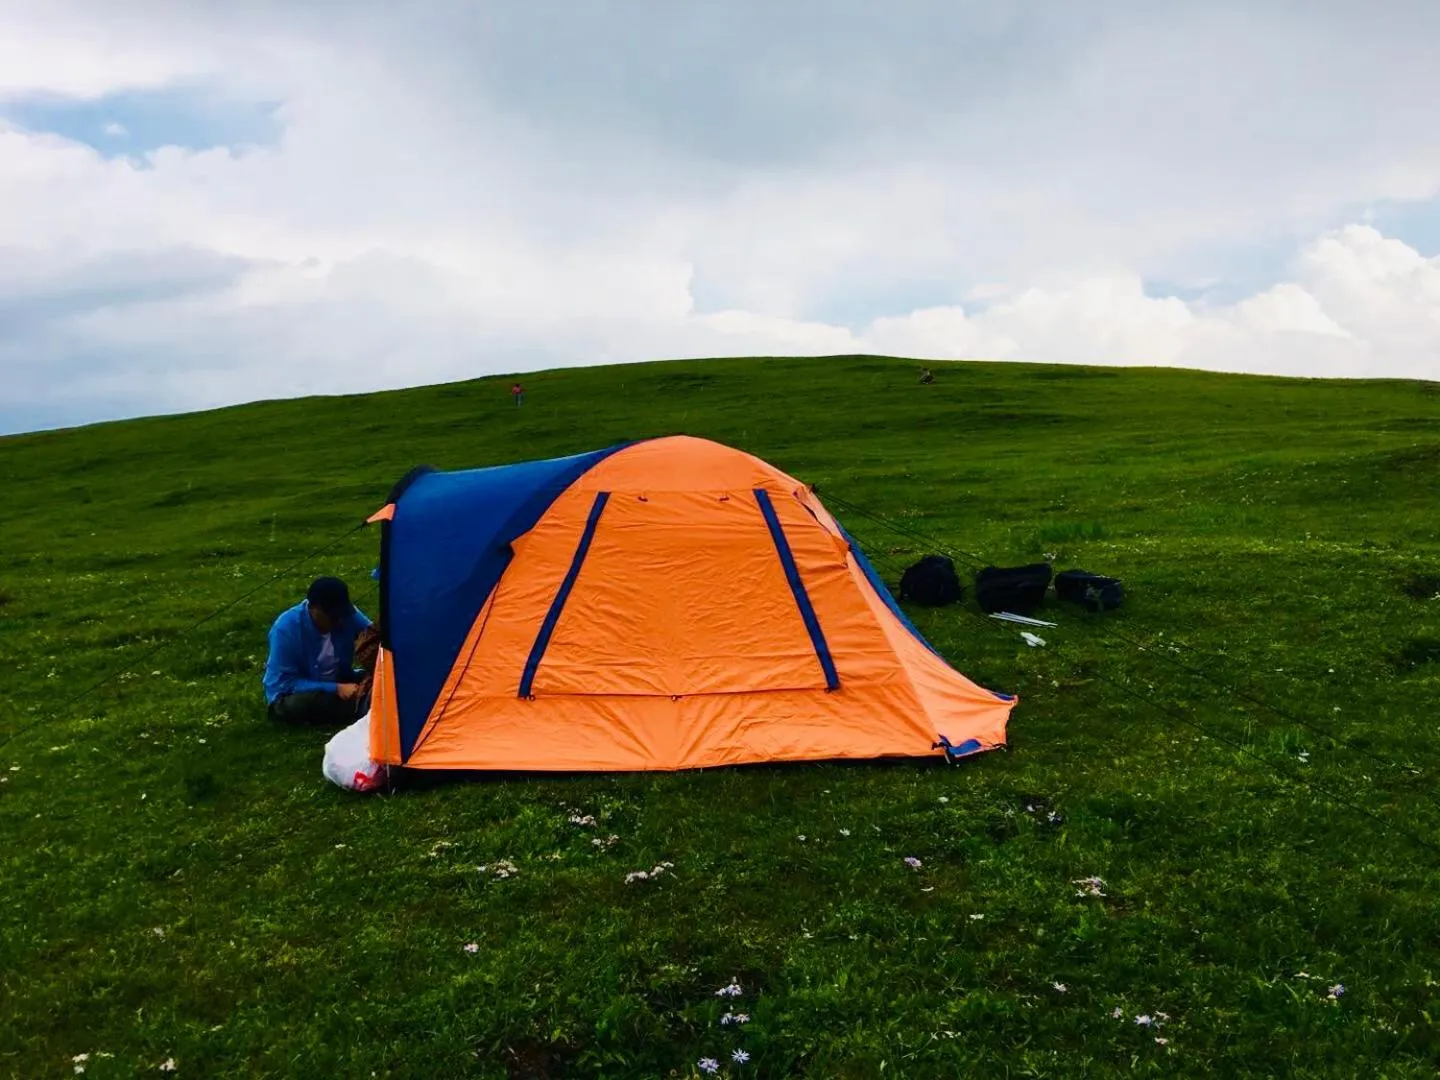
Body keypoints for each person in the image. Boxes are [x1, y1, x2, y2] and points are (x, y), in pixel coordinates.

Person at [263, 576, 373, 726]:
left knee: (374, 676)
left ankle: (369, 700)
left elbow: (373, 636)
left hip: (340, 679)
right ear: (314, 609)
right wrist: (335, 688)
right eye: (333, 617)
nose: (340, 621)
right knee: (309, 702)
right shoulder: (285, 629)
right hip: (293, 694)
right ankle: (366, 706)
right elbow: (286, 683)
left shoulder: (348, 616)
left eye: (342, 616)